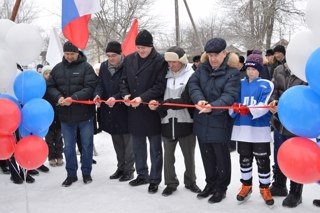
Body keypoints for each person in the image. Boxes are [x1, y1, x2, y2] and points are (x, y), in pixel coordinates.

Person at [188, 37, 240, 203]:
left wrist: (213, 106)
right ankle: (210, 184)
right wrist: (200, 100)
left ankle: (221, 188)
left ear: (225, 53)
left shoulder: (233, 73)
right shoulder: (201, 69)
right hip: (202, 122)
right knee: (207, 156)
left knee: (221, 158)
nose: (213, 58)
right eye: (210, 55)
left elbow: (230, 95)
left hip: (220, 122)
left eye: (216, 54)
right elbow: (193, 86)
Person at [148, 46, 201, 197]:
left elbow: (186, 100)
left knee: (189, 156)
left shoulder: (192, 75)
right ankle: (170, 183)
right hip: (167, 122)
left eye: (174, 62)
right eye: (169, 62)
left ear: (182, 61)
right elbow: (159, 96)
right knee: (168, 157)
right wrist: (156, 106)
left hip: (186, 121)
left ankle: (191, 182)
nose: (171, 65)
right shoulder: (164, 76)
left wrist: (168, 103)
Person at [120, 29, 167, 194]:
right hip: (134, 111)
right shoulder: (130, 59)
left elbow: (160, 86)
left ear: (151, 46)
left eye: (144, 48)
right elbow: (123, 80)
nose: (141, 50)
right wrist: (125, 94)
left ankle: (154, 179)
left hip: (151, 109)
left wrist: (141, 98)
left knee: (155, 148)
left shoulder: (159, 61)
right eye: (138, 47)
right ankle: (142, 174)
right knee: (138, 145)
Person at [47, 41, 97, 187]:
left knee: (87, 145)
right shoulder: (57, 69)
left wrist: (73, 98)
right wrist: (58, 97)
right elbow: (50, 86)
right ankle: (71, 174)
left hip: (84, 115)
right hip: (65, 117)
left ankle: (86, 173)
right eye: (67, 54)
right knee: (68, 147)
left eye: (72, 54)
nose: (69, 56)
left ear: (77, 53)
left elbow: (90, 87)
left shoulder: (86, 68)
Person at [230, 50, 274, 206]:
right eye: (248, 68)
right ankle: (246, 185)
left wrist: (249, 109)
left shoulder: (266, 84)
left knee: (262, 159)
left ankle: (265, 188)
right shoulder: (239, 83)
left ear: (259, 69)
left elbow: (264, 105)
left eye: (254, 68)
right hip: (242, 128)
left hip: (259, 128)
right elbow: (232, 101)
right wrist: (234, 108)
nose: (251, 71)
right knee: (245, 158)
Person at [94, 41, 135, 182]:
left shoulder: (128, 65)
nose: (110, 58)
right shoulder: (104, 66)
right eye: (108, 55)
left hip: (124, 108)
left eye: (113, 55)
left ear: (120, 54)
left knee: (127, 142)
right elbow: (100, 84)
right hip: (110, 110)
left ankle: (129, 170)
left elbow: (128, 86)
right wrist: (98, 95)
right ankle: (121, 167)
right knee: (116, 139)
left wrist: (116, 97)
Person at [268, 62, 306, 207]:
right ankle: (279, 185)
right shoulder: (279, 69)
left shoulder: (304, 71)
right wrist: (273, 102)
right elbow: (274, 91)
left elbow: (308, 96)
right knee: (279, 153)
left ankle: (296, 192)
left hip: (298, 123)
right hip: (279, 121)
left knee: (295, 157)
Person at [42, 65, 64, 167]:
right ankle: (51, 157)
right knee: (49, 139)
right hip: (47, 116)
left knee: (59, 138)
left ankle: (59, 156)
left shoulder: (57, 85)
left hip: (58, 115)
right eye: (45, 73)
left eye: (49, 73)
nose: (48, 75)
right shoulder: (41, 87)